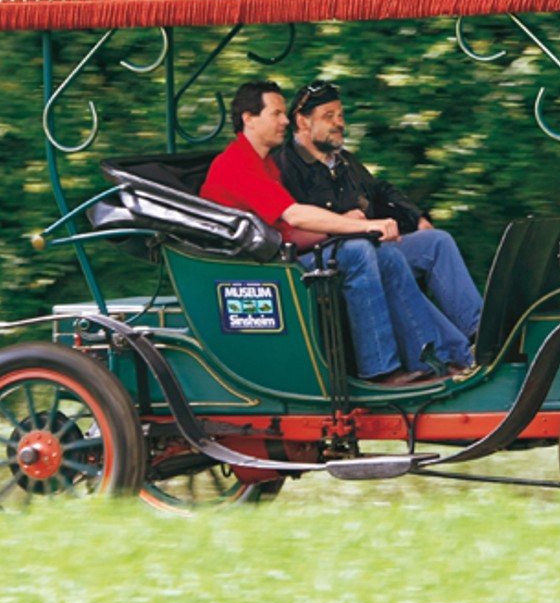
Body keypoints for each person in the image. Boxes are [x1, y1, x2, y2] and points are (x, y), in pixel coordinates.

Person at [199, 80, 468, 385]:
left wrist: (353, 231)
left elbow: (292, 233)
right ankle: (380, 370)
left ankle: (437, 361)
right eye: (276, 114)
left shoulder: (266, 166)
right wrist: (363, 226)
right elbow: (296, 215)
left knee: (387, 255)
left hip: (278, 259)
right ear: (249, 118)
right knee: (356, 252)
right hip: (254, 272)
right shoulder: (236, 164)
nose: (285, 121)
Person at [276, 79, 482, 350]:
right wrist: (349, 225)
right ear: (302, 122)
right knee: (389, 258)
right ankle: (455, 356)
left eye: (341, 115)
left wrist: (416, 218)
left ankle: (481, 334)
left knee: (437, 242)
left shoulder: (344, 161)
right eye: (329, 116)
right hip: (328, 259)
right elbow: (296, 223)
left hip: (371, 244)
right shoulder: (285, 164)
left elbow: (380, 191)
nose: (339, 122)